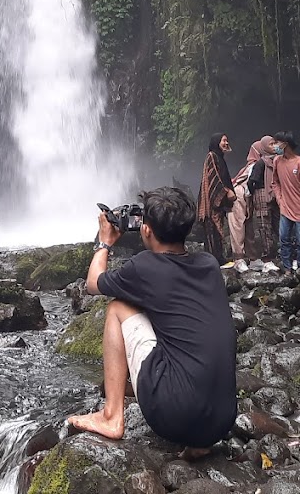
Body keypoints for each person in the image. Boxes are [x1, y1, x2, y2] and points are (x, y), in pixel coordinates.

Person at [66, 187, 238, 452]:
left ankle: (112, 416)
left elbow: (92, 283)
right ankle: (198, 443)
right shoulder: (209, 265)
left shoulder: (144, 266)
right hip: (221, 421)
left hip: (172, 416)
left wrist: (104, 242)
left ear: (146, 230)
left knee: (118, 307)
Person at [227, 136, 280, 266]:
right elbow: (248, 182)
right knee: (239, 227)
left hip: (248, 199)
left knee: (249, 227)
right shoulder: (255, 166)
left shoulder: (265, 164)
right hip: (239, 199)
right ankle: (239, 258)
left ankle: (251, 257)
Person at [269, 131, 300, 270]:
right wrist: (280, 199)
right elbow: (275, 182)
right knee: (284, 239)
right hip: (285, 208)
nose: (274, 146)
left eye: (276, 143)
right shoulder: (277, 161)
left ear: (285, 144)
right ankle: (287, 268)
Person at [198, 133, 236, 261]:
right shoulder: (212, 156)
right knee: (213, 231)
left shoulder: (219, 157)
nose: (226, 143)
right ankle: (214, 260)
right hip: (211, 203)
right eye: (224, 141)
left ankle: (218, 258)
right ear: (216, 142)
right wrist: (226, 192)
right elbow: (214, 178)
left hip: (218, 203)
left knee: (217, 232)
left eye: (227, 140)